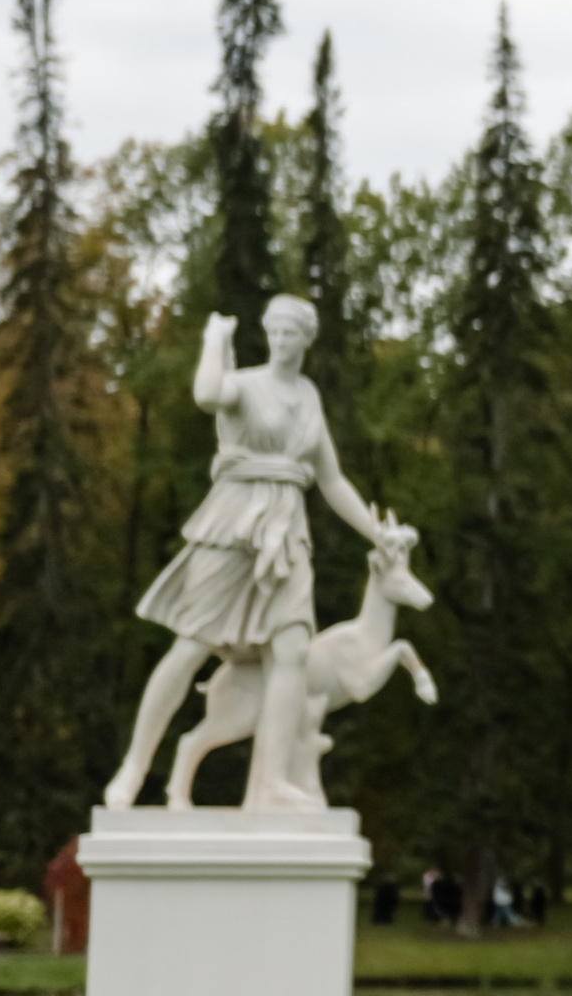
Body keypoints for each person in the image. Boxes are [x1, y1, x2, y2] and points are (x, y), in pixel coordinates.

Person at [103, 300, 392, 813]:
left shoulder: (307, 397)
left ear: (306, 339)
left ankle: (276, 782)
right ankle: (135, 766)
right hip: (233, 523)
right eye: (273, 331)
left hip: (286, 532)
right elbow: (208, 393)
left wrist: (376, 533)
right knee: (191, 646)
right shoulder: (246, 383)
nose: (280, 340)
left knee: (293, 653)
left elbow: (330, 478)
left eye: (290, 333)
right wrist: (216, 341)